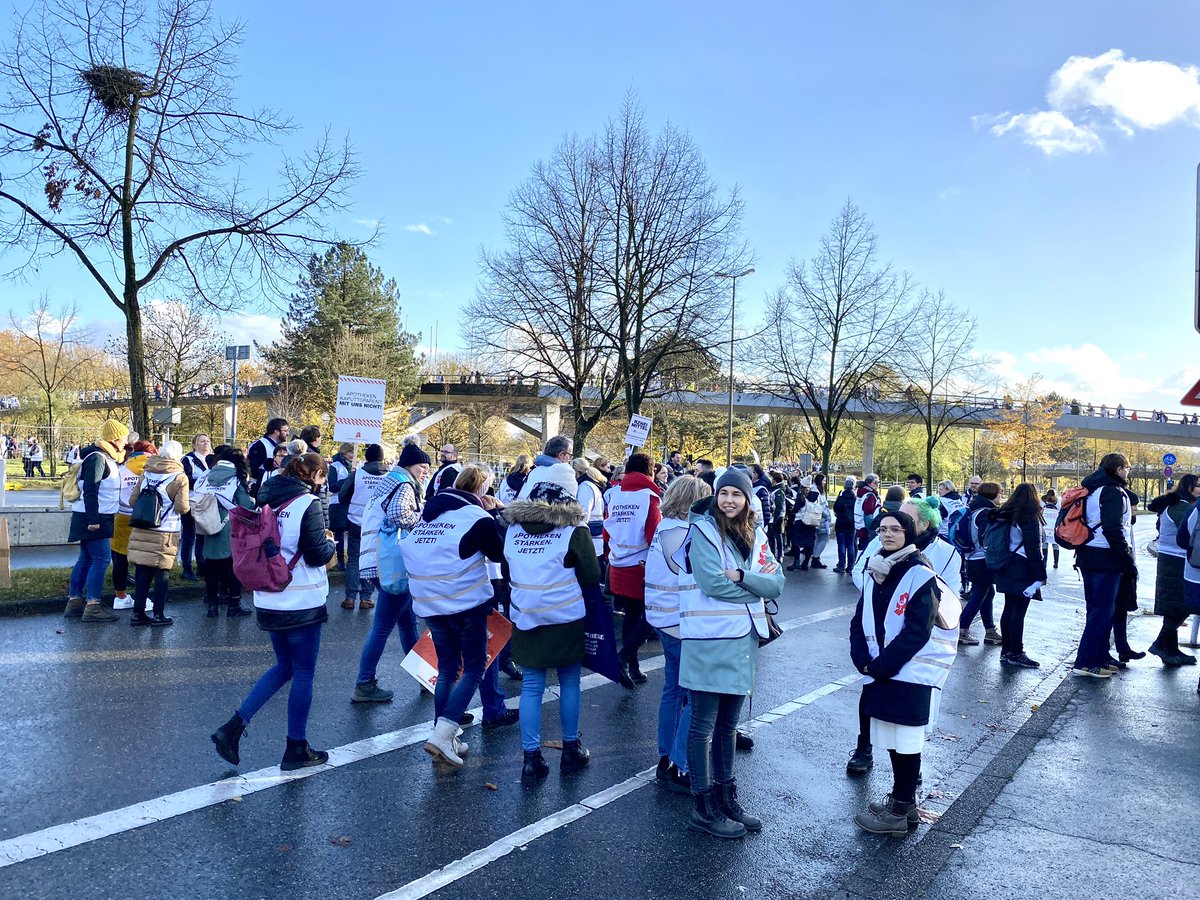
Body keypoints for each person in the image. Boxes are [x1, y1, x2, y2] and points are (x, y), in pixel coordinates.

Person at [211, 453, 335, 771]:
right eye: (324, 477)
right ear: (316, 475)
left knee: (284, 667)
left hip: (267, 595)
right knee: (303, 672)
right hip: (301, 599)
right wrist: (331, 543)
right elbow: (318, 554)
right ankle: (296, 747)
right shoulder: (308, 503)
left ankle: (234, 727)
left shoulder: (265, 496)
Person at [681, 467, 782, 839]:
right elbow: (711, 583)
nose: (728, 500)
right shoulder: (703, 531)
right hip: (709, 640)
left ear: (747, 499)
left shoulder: (757, 536)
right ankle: (703, 806)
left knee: (728, 727)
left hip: (742, 642)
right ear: (715, 495)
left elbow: (778, 581)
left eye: (736, 494)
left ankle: (727, 797)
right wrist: (757, 589)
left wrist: (742, 578)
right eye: (723, 493)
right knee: (703, 726)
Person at [849, 509, 958, 837]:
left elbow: (917, 630)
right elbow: (859, 617)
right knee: (893, 738)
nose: (887, 535)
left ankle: (899, 811)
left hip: (908, 672)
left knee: (907, 740)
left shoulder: (920, 572)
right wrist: (860, 657)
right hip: (884, 670)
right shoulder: (876, 569)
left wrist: (881, 665)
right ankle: (904, 805)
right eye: (882, 529)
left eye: (895, 529)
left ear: (909, 534)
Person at [403, 465, 508, 767]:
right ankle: (443, 733)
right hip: (465, 603)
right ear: (482, 491)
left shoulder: (430, 515)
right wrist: (496, 515)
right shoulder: (476, 518)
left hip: (429, 603)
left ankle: (445, 734)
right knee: (474, 669)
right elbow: (500, 553)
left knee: (448, 669)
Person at [504, 479, 599, 782]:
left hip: (526, 617)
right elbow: (592, 573)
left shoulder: (513, 531)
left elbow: (507, 571)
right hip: (565, 617)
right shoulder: (573, 531)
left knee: (532, 687)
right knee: (570, 681)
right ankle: (571, 749)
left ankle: (531, 758)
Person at [645, 475, 712, 796]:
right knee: (696, 695)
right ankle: (682, 763)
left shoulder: (664, 527)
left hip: (661, 618)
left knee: (673, 690)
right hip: (683, 622)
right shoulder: (689, 533)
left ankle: (665, 756)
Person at [350, 441, 430, 703]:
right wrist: (424, 520)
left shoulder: (390, 480)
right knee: (382, 627)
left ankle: (425, 678)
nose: (425, 471)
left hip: (376, 561)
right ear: (410, 465)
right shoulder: (404, 484)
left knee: (408, 623)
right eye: (422, 466)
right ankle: (364, 682)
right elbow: (398, 514)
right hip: (392, 565)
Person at [1072, 453, 1135, 678]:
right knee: (1101, 612)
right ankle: (1086, 662)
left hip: (1088, 554)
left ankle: (1099, 656)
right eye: (1127, 468)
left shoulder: (1093, 488)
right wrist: (1126, 559)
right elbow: (1112, 528)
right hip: (1106, 557)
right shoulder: (1113, 491)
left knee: (1096, 610)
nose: (1128, 472)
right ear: (1118, 469)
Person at [604, 451, 661, 689]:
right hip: (641, 563)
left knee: (631, 614)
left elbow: (608, 530)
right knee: (652, 614)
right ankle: (624, 657)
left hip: (618, 561)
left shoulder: (615, 494)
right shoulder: (650, 497)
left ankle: (633, 667)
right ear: (650, 471)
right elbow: (654, 533)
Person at [64, 419, 129, 624]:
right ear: (116, 438)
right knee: (101, 559)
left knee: (86, 559)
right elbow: (91, 489)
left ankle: (75, 603)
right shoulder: (99, 458)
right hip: (95, 517)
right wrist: (93, 519)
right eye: (124, 438)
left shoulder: (103, 457)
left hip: (94, 515)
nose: (126, 442)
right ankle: (93, 606)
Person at [127, 441, 190, 627]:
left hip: (141, 528)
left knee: (142, 571)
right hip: (165, 531)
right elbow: (182, 507)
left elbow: (133, 501)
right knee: (162, 572)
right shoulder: (180, 477)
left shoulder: (146, 472)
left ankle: (138, 614)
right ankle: (158, 614)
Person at [986, 484, 1048, 668]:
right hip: (1023, 566)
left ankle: (1006, 649)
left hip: (1006, 563)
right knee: (1018, 612)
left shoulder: (1004, 513)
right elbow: (1033, 548)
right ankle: (1017, 652)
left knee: (1009, 609)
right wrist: (1040, 575)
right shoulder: (1029, 517)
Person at [1145, 475, 1200, 666]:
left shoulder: (1179, 503)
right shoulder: (1182, 507)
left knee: (1177, 606)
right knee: (1181, 605)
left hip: (1175, 559)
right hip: (1175, 561)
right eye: (1198, 486)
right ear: (1188, 487)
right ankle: (1162, 645)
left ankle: (1169, 647)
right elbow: (1190, 533)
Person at [200, 445, 255, 618]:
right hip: (230, 525)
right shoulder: (236, 477)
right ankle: (234, 605)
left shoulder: (207, 474)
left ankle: (212, 606)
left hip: (208, 522)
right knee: (232, 567)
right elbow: (246, 505)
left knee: (211, 567)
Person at [339, 444, 388, 611]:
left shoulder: (357, 474)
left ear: (366, 457)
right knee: (372, 559)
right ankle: (366, 597)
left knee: (353, 559)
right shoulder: (389, 477)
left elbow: (342, 496)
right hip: (378, 525)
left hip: (356, 521)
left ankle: (350, 597)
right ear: (382, 458)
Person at [111, 438, 156, 611]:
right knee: (142, 560)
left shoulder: (121, 470)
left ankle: (120, 596)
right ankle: (142, 599)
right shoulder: (153, 469)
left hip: (122, 516)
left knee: (120, 558)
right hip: (146, 517)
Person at [957, 482, 1003, 647]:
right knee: (979, 595)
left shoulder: (974, 508)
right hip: (981, 559)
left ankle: (990, 631)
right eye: (1000, 493)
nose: (1001, 496)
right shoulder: (986, 513)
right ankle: (962, 629)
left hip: (971, 557)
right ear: (993, 495)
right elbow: (986, 537)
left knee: (987, 593)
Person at [180, 433, 212, 581]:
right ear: (194, 445)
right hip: (191, 501)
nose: (205, 443)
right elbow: (185, 480)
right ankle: (187, 569)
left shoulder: (212, 460)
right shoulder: (188, 460)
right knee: (189, 536)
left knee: (203, 536)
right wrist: (203, 482)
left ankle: (202, 566)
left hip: (207, 502)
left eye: (207, 440)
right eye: (202, 441)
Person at [518, 435, 575, 500]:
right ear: (561, 455)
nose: (570, 459)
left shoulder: (533, 472)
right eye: (570, 455)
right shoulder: (564, 472)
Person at [572, 457, 607, 561]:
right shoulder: (590, 485)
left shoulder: (585, 487)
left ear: (576, 472)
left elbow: (583, 515)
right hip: (595, 539)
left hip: (591, 541)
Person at [327, 443, 355, 571]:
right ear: (344, 452)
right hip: (338, 503)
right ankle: (340, 561)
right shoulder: (335, 466)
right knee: (339, 533)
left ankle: (351, 560)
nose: (353, 455)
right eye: (350, 452)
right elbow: (332, 486)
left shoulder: (356, 467)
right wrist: (348, 480)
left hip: (352, 503)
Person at [788, 476, 820, 571]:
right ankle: (805, 562)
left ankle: (796, 562)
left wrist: (792, 510)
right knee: (809, 543)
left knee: (796, 542)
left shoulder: (800, 495)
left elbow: (796, 508)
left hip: (800, 522)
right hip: (811, 522)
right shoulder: (814, 495)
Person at [247, 417, 289, 487]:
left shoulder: (281, 446)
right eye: (285, 431)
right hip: (261, 487)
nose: (288, 433)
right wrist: (271, 474)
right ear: (276, 431)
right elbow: (251, 469)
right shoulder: (259, 445)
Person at [832, 476, 858, 574]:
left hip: (841, 523)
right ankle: (851, 566)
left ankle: (841, 564)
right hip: (851, 524)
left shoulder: (841, 497)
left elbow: (836, 508)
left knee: (841, 545)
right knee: (851, 545)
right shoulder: (855, 498)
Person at [854, 474, 881, 552]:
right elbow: (868, 511)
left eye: (878, 483)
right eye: (875, 483)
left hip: (859, 524)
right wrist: (878, 506)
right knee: (868, 550)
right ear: (869, 484)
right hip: (867, 526)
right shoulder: (870, 495)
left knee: (864, 548)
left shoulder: (861, 492)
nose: (877, 485)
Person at [767, 472, 790, 562]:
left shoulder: (779, 491)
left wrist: (776, 518)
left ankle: (780, 554)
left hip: (777, 517)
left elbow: (779, 506)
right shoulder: (774, 489)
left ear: (775, 480)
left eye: (772, 478)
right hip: (773, 517)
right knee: (771, 537)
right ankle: (773, 553)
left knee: (778, 536)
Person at [811, 473, 831, 569]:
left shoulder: (815, 490)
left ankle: (815, 556)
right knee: (824, 538)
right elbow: (820, 506)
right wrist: (827, 515)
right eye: (823, 480)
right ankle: (816, 557)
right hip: (822, 518)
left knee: (818, 538)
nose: (825, 482)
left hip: (819, 518)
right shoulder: (817, 492)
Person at [1041, 489, 1060, 569]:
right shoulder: (1058, 503)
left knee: (1045, 544)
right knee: (1055, 545)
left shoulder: (1042, 502)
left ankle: (1044, 562)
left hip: (1045, 526)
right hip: (1054, 527)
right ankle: (1056, 562)